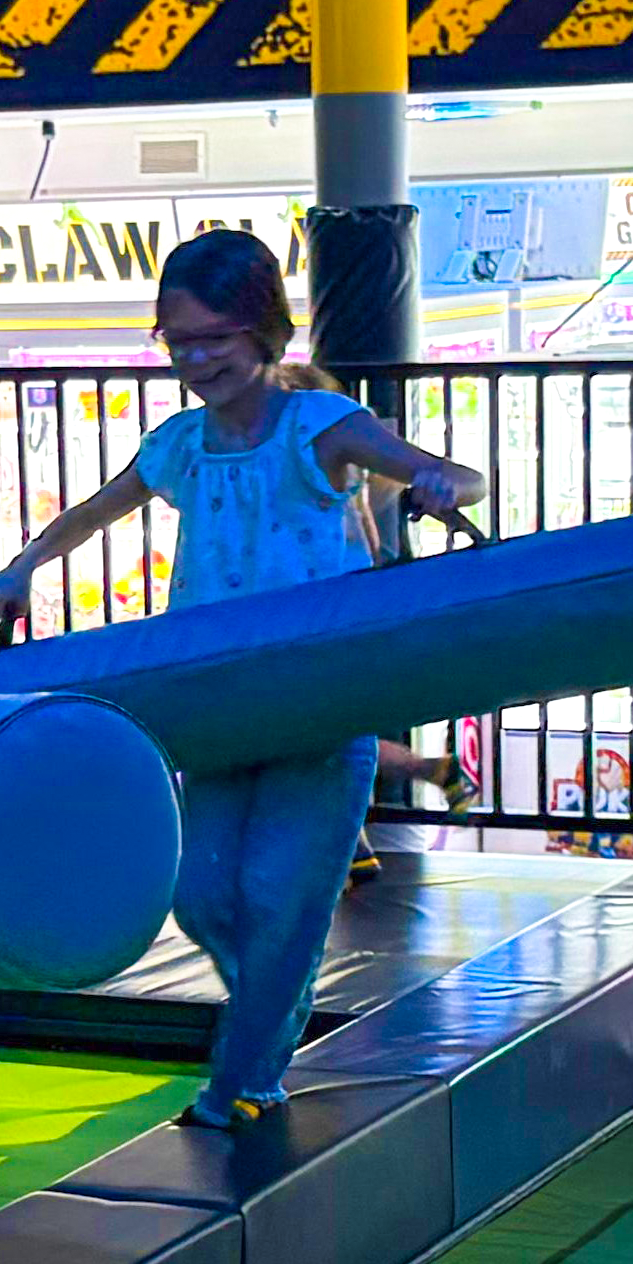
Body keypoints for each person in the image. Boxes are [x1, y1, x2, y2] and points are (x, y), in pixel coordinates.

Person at [0, 230, 486, 1129]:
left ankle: (239, 1082)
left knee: (282, 898)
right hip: (216, 705)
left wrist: (443, 485)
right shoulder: (179, 446)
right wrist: (19, 570)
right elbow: (91, 513)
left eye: (216, 337)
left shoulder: (319, 428)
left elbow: (455, 474)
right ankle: (271, 1011)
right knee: (202, 893)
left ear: (264, 333)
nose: (198, 359)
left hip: (322, 706)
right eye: (179, 341)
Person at [270, 362, 477, 888]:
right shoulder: (328, 468)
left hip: (330, 609)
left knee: (315, 731)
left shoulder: (323, 458)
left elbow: (351, 531)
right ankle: (397, 799)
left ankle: (364, 823)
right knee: (322, 730)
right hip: (336, 605)